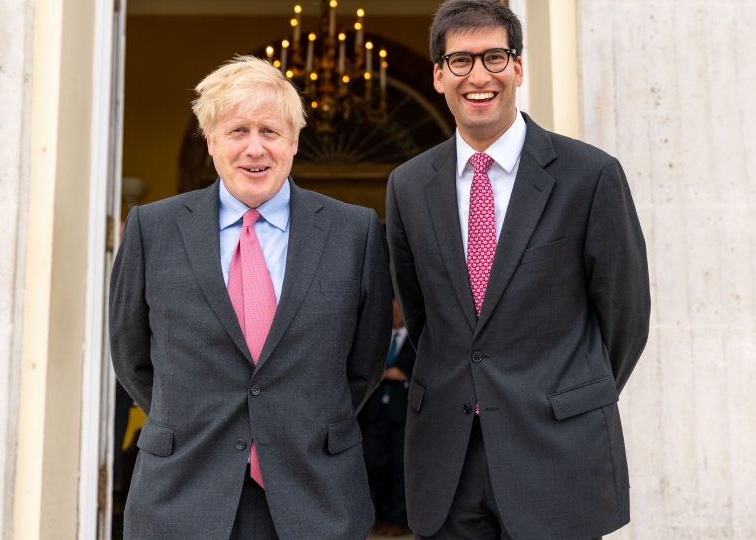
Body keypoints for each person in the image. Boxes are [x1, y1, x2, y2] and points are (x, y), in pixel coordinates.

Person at [386, 1, 651, 539]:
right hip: (448, 461)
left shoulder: (590, 175)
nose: (478, 76)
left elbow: (626, 317)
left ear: (519, 67)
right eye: (460, 61)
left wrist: (567, 394)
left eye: (494, 57)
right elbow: (423, 315)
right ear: (438, 76)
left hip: (558, 453)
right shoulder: (408, 186)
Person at [110, 55, 392, 540]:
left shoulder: (355, 232)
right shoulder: (150, 230)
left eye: (270, 131)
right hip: (182, 494)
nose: (255, 149)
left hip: (315, 496)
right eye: (238, 130)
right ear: (211, 140)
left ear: (295, 141)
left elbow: (364, 363)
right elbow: (131, 355)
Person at [363, 298, 416, 537]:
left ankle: (399, 519)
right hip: (376, 414)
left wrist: (403, 376)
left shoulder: (417, 340)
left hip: (403, 414)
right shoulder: (378, 340)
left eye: (398, 307)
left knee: (400, 468)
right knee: (374, 464)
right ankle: (382, 515)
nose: (395, 312)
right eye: (391, 307)